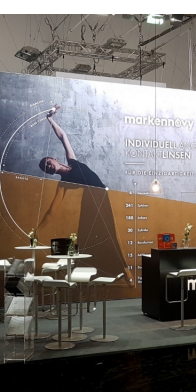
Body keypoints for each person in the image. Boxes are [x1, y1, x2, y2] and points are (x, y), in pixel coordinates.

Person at [37, 105, 132, 285]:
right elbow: (51, 211)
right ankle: (102, 274)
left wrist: (50, 119)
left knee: (110, 233)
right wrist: (37, 230)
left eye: (48, 163)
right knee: (92, 235)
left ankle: (124, 272)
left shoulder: (72, 161)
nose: (48, 167)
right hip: (90, 202)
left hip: (101, 197)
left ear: (54, 159)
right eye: (46, 169)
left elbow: (63, 136)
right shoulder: (63, 184)